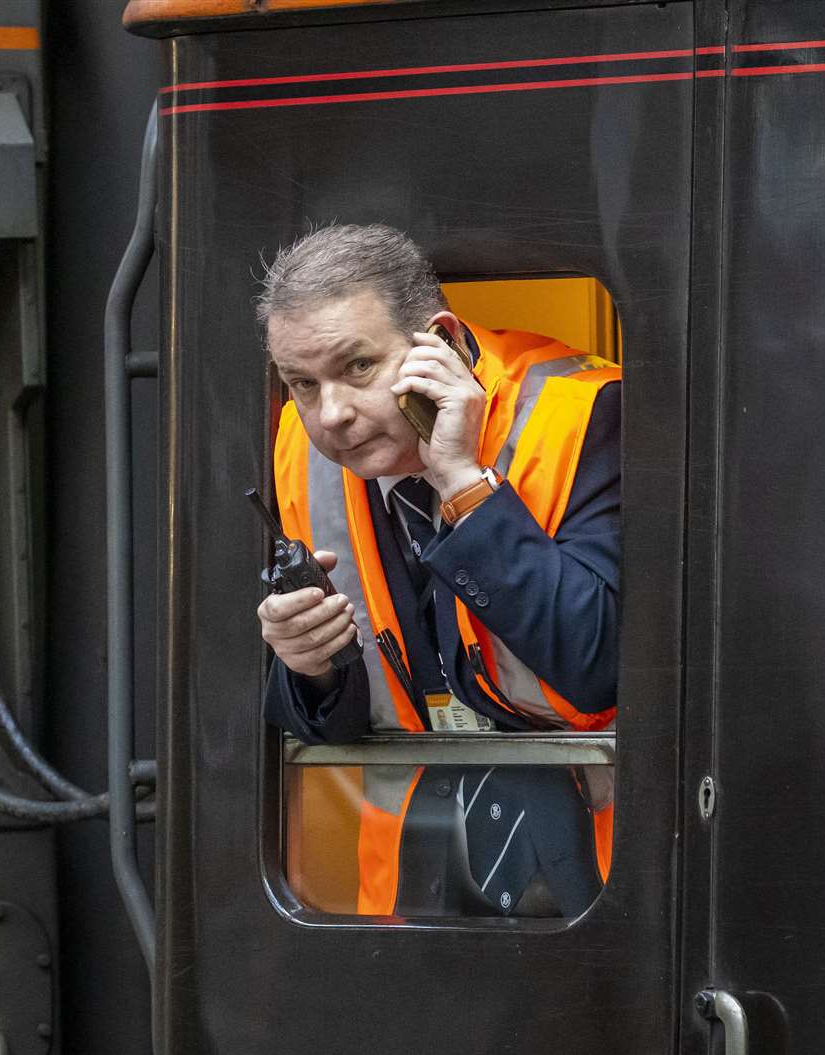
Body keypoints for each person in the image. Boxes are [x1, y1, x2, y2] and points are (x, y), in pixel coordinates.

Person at [255, 224, 621, 917]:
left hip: (602, 885)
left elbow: (597, 662)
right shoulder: (298, 456)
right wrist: (310, 668)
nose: (331, 415)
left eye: (358, 367)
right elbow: (326, 724)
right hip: (408, 893)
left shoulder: (583, 417)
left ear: (442, 344)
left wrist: (462, 481)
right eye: (303, 383)